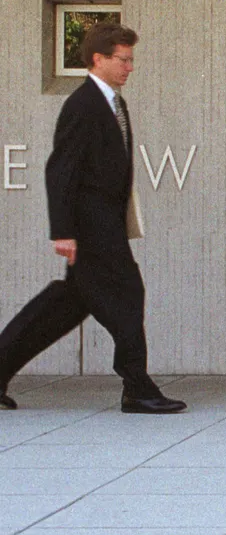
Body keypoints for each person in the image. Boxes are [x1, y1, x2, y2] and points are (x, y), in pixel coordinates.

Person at [0, 23, 185, 414]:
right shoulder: (83, 105)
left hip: (104, 225)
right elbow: (60, 169)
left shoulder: (114, 103)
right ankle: (137, 386)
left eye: (131, 60)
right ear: (98, 59)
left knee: (62, 307)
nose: (130, 67)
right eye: (124, 59)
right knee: (128, 295)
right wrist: (63, 230)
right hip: (91, 227)